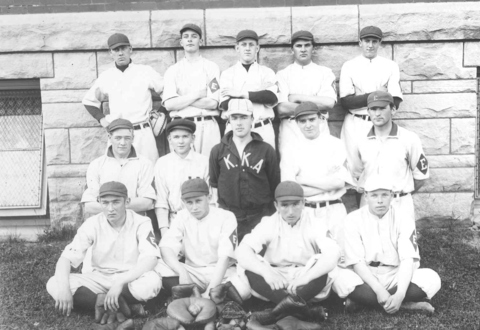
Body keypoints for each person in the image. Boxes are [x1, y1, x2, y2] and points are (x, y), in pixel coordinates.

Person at [46, 182, 162, 325]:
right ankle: (115, 304)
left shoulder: (141, 222)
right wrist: (64, 290)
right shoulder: (92, 223)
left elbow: (151, 259)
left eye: (116, 202)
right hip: (99, 277)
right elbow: (65, 259)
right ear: (99, 203)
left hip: (129, 279)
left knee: (152, 282)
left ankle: (102, 304)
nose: (110, 209)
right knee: (54, 283)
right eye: (105, 203)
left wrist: (120, 282)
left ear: (127, 202)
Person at [332, 176, 441, 314]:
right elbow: (357, 262)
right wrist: (379, 290)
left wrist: (400, 293)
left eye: (384, 195)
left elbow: (407, 259)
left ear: (392, 195)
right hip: (365, 276)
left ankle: (367, 301)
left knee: (432, 279)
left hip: (396, 274)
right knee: (338, 278)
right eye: (374, 195)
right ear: (366, 196)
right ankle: (404, 305)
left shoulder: (404, 219)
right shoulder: (352, 220)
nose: (379, 201)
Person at [236, 181, 340, 324]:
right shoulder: (269, 222)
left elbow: (332, 254)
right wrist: (267, 273)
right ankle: (305, 311)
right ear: (276, 205)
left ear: (303, 203)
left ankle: (275, 313)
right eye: (284, 205)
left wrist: (306, 278)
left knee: (324, 265)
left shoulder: (315, 222)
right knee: (246, 265)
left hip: (304, 278)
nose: (290, 211)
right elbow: (242, 251)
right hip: (276, 280)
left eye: (295, 204)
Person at [280, 102, 352, 266]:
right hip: (307, 210)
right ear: (297, 123)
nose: (308, 125)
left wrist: (302, 180)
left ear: (320, 118)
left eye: (311, 119)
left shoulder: (335, 144)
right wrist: (326, 184)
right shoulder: (290, 148)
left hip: (334, 208)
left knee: (342, 260)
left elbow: (339, 182)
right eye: (302, 121)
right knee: (308, 262)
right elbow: (290, 191)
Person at [157, 178, 250, 300]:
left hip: (222, 272)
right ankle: (210, 297)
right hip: (194, 272)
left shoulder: (226, 216)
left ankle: (197, 296)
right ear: (183, 202)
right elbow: (166, 247)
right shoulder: (181, 216)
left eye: (198, 201)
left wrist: (209, 291)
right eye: (189, 202)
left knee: (244, 289)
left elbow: (225, 258)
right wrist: (182, 272)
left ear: (209, 197)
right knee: (157, 265)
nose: (194, 207)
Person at [83, 33, 164, 164]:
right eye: (116, 49)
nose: (120, 53)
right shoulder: (107, 76)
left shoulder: (144, 71)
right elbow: (88, 101)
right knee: (118, 176)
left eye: (123, 48)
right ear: (111, 53)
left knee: (149, 174)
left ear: (130, 50)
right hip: (119, 134)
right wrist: (102, 119)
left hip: (143, 132)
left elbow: (166, 91)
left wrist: (162, 113)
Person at [209, 98, 280, 241]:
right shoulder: (218, 151)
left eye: (244, 117)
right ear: (229, 120)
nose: (239, 123)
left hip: (261, 216)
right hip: (229, 216)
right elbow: (215, 184)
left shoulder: (266, 150)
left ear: (252, 119)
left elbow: (274, 184)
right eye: (234, 118)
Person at [350, 91, 429, 219]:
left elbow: (421, 177)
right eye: (373, 109)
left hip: (399, 203)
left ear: (393, 110)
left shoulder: (409, 138)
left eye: (382, 108)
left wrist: (399, 192)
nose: (377, 113)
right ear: (368, 112)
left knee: (401, 239)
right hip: (369, 205)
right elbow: (356, 174)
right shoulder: (360, 140)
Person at [339, 26, 403, 176]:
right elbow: (347, 102)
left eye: (374, 41)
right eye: (367, 41)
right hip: (355, 122)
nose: (370, 45)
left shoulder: (390, 66)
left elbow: (395, 100)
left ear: (380, 43)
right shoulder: (349, 66)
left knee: (381, 167)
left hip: (381, 122)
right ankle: (360, 200)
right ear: (360, 42)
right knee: (356, 170)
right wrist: (378, 94)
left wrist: (362, 97)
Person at [162, 23, 221, 156]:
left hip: (207, 125)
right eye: (186, 36)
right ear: (181, 42)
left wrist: (181, 99)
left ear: (200, 41)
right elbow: (169, 104)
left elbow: (213, 103)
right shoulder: (172, 71)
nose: (189, 39)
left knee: (210, 169)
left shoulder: (212, 68)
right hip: (181, 126)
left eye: (194, 36)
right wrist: (198, 94)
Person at [276, 30, 337, 157]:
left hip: (318, 127)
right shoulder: (283, 74)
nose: (303, 49)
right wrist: (316, 102)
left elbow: (329, 103)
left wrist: (297, 97)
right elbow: (282, 108)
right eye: (298, 46)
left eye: (307, 45)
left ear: (313, 49)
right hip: (291, 128)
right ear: (292, 50)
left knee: (320, 171)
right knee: (291, 173)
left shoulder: (325, 72)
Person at [81, 118, 156, 216]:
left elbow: (147, 202)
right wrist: (119, 207)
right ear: (109, 137)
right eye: (118, 138)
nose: (123, 143)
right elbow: (89, 206)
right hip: (104, 223)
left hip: (134, 221)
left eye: (127, 138)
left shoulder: (145, 164)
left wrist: (111, 206)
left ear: (133, 138)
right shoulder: (97, 164)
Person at [219, 30, 278, 149]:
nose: (247, 48)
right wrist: (258, 92)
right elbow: (225, 104)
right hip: (235, 129)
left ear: (257, 48)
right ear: (237, 48)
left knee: (265, 166)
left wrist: (240, 93)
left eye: (251, 44)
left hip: (262, 127)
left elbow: (270, 97)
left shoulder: (267, 72)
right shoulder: (227, 74)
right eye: (243, 44)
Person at [154, 119, 210, 237]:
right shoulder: (162, 163)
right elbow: (161, 201)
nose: (181, 141)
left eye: (185, 136)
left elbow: (211, 198)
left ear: (193, 138)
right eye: (176, 137)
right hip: (174, 220)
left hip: (201, 221)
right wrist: (165, 232)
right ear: (169, 139)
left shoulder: (203, 162)